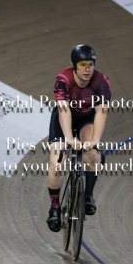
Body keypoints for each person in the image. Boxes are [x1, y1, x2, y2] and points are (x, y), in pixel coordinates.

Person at [46, 44, 111, 232]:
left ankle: (88, 195)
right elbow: (63, 110)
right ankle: (55, 207)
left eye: (90, 64)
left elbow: (102, 112)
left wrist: (94, 141)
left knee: (93, 156)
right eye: (82, 65)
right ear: (74, 66)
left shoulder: (102, 81)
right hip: (64, 117)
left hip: (86, 118)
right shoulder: (63, 79)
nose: (87, 69)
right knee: (58, 161)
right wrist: (68, 138)